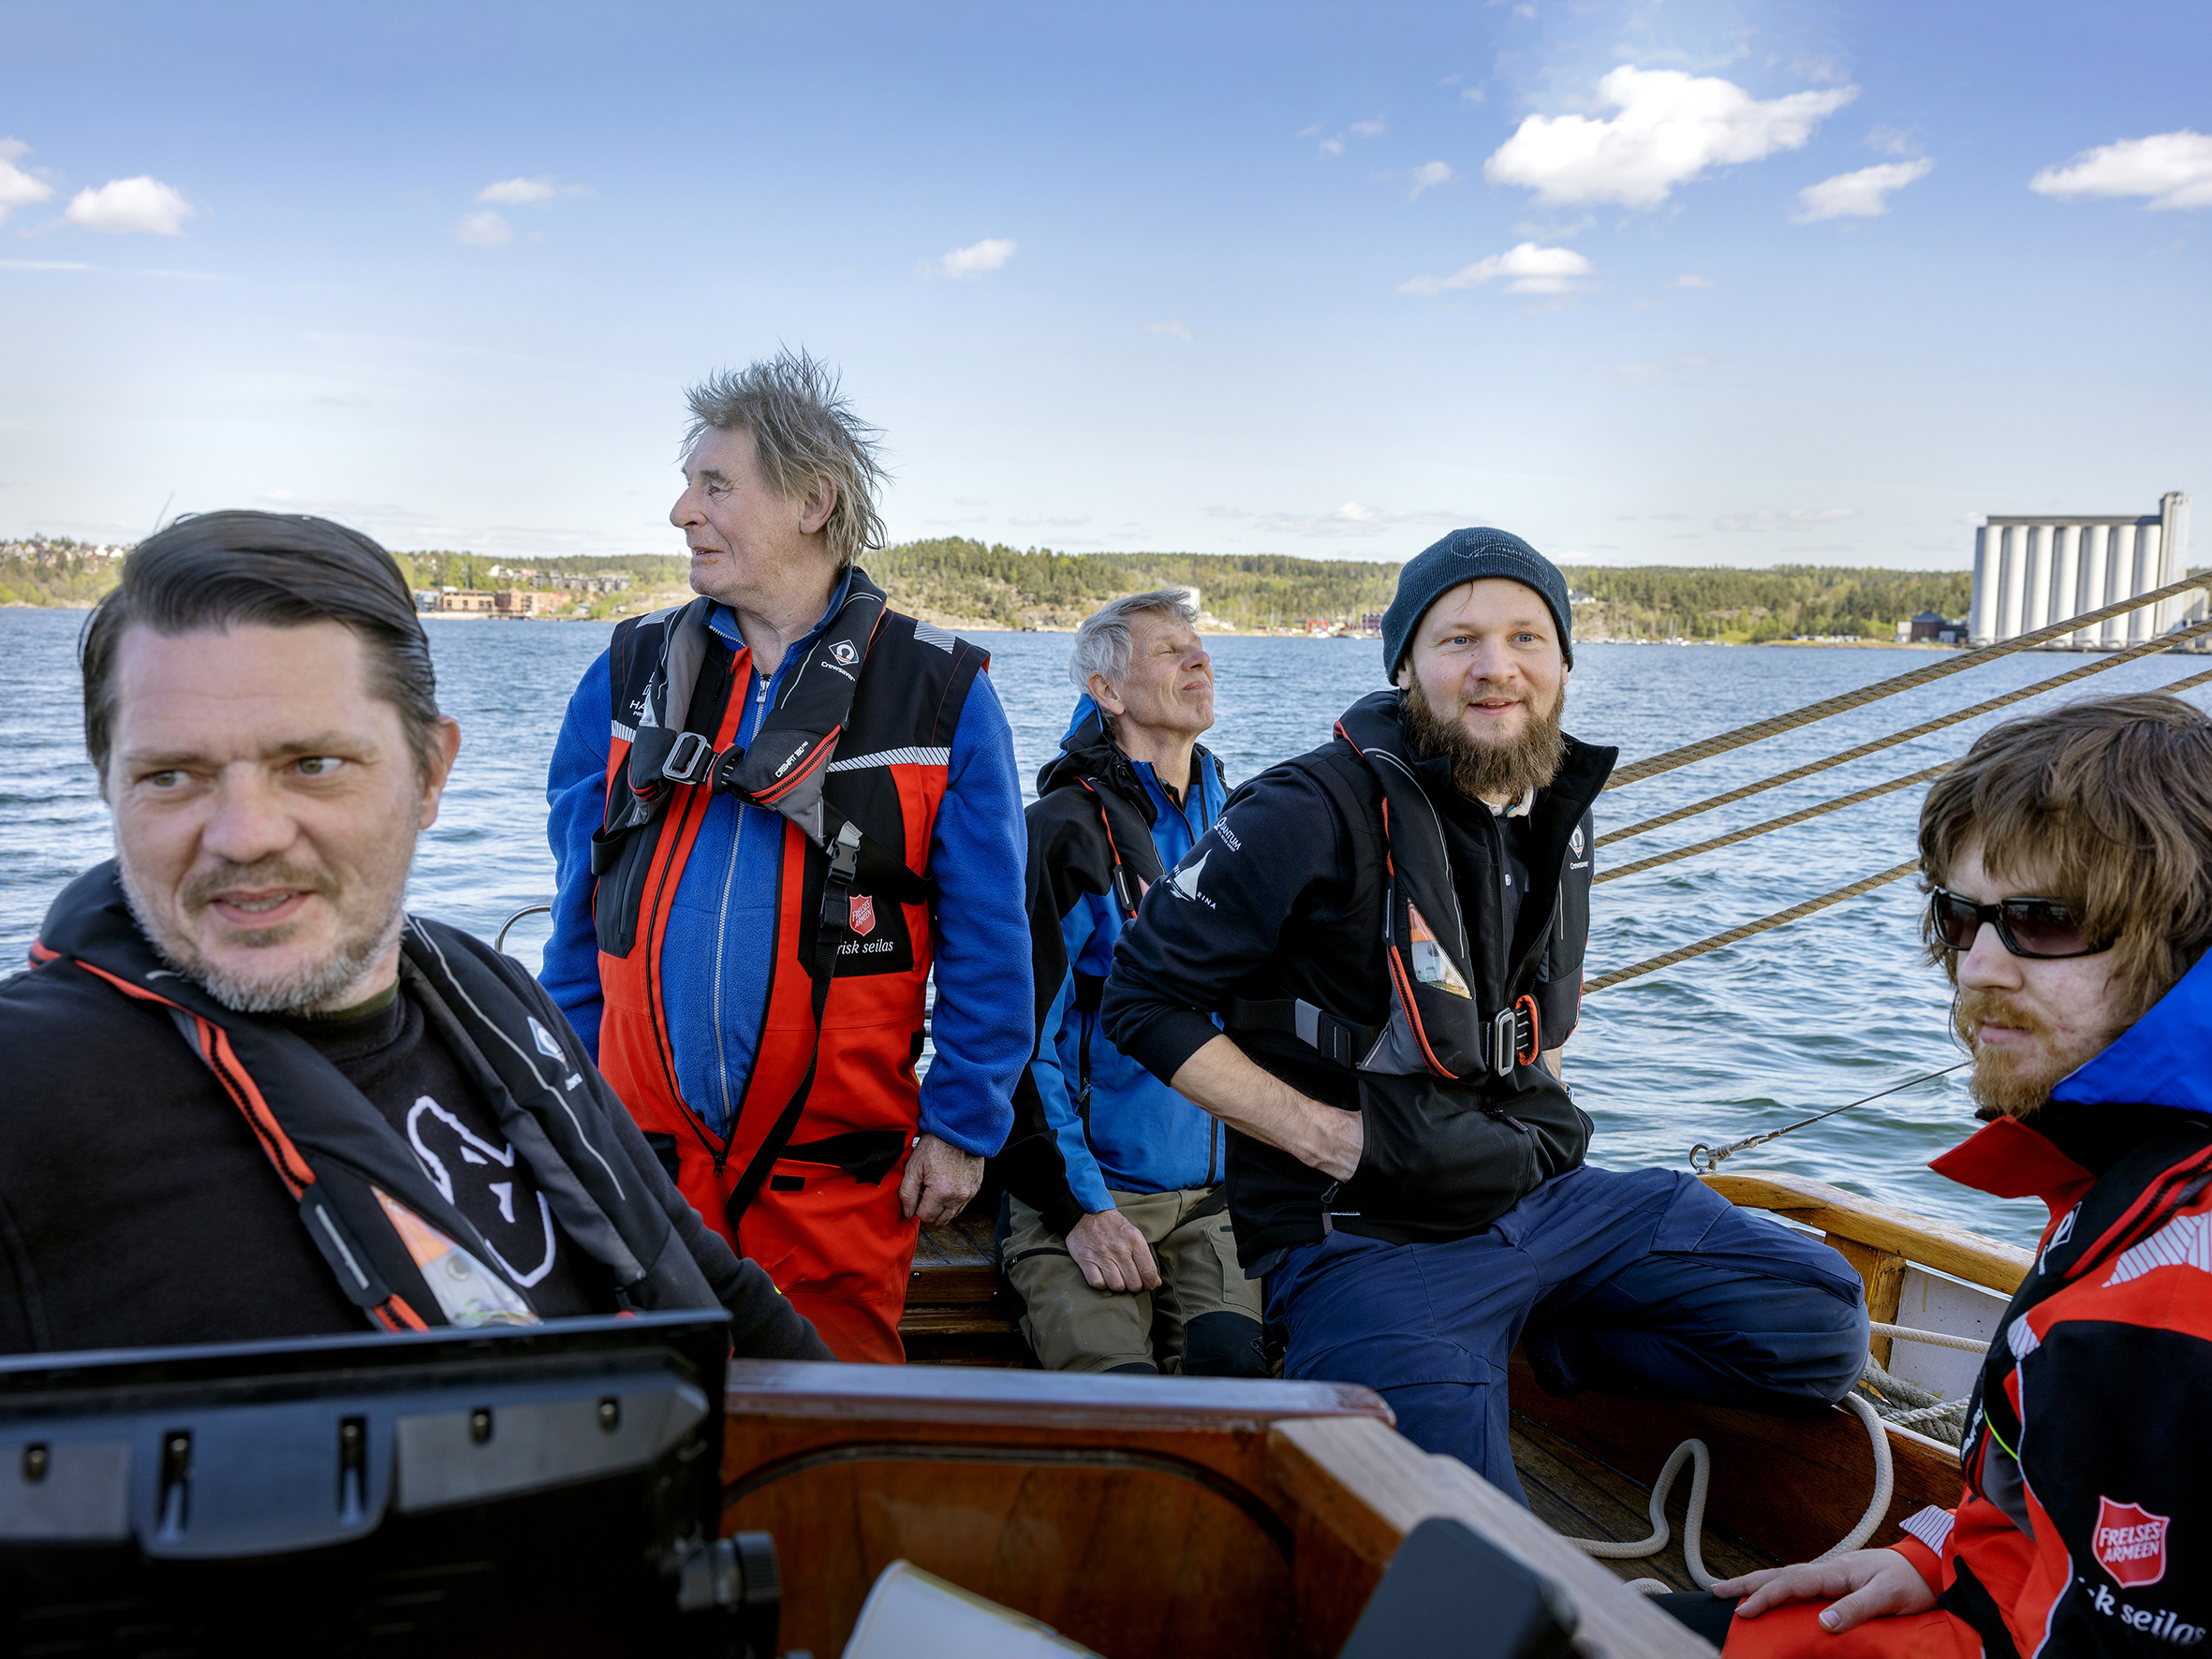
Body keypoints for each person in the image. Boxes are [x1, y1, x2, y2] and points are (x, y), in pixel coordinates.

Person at [1099, 526, 1869, 1497]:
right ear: (1406, 665)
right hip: (1372, 1237)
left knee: (1821, 1326)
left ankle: (1530, 1332)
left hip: (1546, 1200)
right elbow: (1142, 998)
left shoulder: (1549, 806)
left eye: (1524, 638)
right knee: (1460, 1537)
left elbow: (1530, 1019)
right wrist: (1330, 1139)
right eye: (1459, 640)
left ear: (1562, 661)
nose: (1495, 667)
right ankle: (1435, 1354)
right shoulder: (1304, 808)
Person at [0, 510, 830, 1358]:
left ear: (430, 774)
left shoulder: (491, 998)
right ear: (109, 786)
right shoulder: (27, 1093)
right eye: (171, 775)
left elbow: (709, 1281)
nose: (244, 835)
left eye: (313, 765)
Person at [542, 350, 1032, 1364]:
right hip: (643, 1168)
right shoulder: (626, 675)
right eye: (688, 483)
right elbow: (579, 920)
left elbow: (991, 936)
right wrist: (566, 1103)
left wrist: (964, 1122)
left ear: (813, 501)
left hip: (835, 1180)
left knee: (833, 1427)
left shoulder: (940, 693)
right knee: (646, 1420)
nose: (682, 510)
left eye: (715, 485)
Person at [1699, 693, 2212, 1657]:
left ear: (2188, 942)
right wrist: (1944, 1551)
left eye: (2044, 919)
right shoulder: (2129, 1178)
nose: (1977, 966)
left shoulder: (2178, 1299)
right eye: (1961, 915)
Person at [995, 591, 1268, 1376]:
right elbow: (1019, 1039)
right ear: (1107, 692)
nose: (1199, 658)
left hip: (1215, 1203)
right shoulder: (1063, 834)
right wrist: (1079, 1208)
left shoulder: (1242, 824)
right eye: (1168, 650)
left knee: (1235, 1386)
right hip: (1086, 1195)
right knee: (1118, 1400)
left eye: (1198, 646)